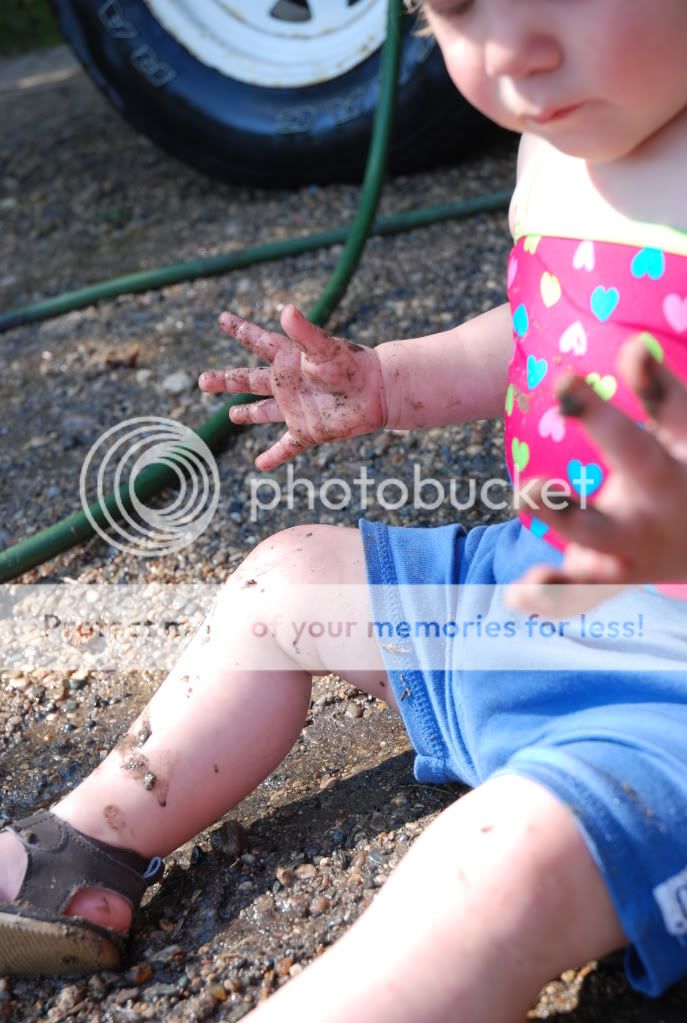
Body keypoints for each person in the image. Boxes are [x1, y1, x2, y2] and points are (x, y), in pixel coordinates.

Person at [2, 0, 687, 1018]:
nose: (511, 51)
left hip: (665, 699)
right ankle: (89, 843)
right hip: (534, 596)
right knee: (287, 581)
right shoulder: (568, 136)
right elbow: (546, 322)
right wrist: (388, 382)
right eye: (457, 5)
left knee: (490, 874)